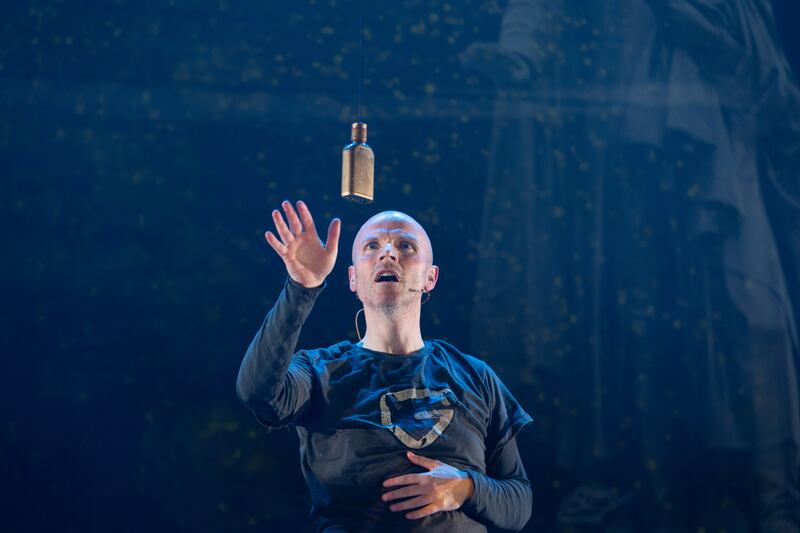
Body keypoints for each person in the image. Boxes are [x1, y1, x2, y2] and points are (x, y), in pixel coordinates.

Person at [236, 200, 534, 532]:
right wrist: (301, 288)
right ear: (353, 278)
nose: (388, 253)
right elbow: (256, 392)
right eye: (372, 246)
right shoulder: (321, 371)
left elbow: (519, 502)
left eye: (405, 245)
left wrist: (466, 488)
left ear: (431, 277)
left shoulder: (476, 377)